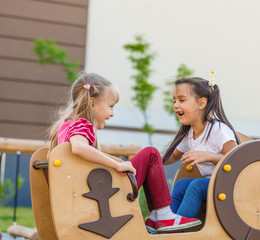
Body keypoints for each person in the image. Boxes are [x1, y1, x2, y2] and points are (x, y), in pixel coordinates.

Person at [48, 72, 201, 233]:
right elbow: (79, 148)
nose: (112, 113)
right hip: (101, 198)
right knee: (151, 154)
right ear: (93, 102)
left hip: (83, 196)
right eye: (110, 106)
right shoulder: (82, 125)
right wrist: (117, 164)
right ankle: (162, 215)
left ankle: (159, 216)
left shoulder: (65, 125)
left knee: (149, 155)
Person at [162, 74, 240, 219]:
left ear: (202, 103)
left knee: (196, 186)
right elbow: (172, 156)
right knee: (180, 185)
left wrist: (209, 156)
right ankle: (168, 222)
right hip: (212, 184)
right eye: (174, 101)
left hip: (231, 185)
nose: (176, 105)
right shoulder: (189, 134)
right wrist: (151, 160)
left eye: (182, 100)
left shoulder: (218, 129)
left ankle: (179, 229)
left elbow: (237, 160)